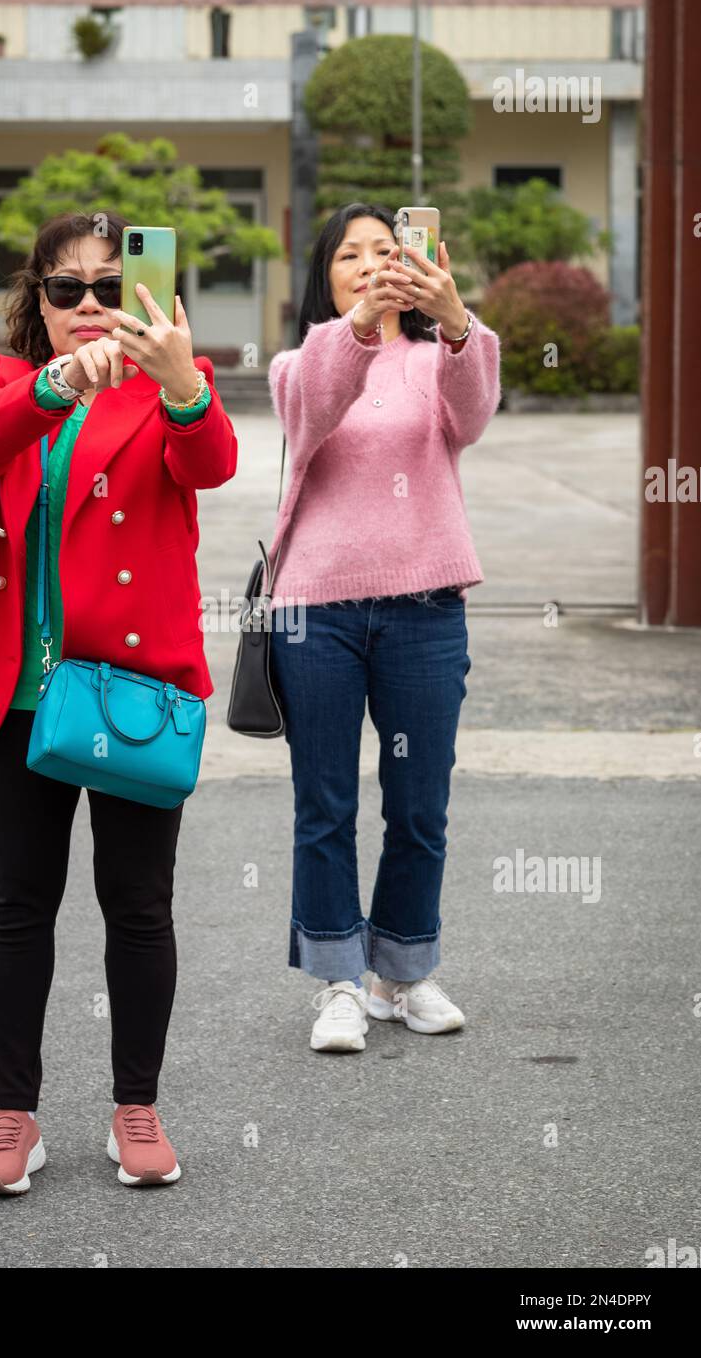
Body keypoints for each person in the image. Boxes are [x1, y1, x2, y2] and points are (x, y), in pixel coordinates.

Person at [0, 210, 237, 1190]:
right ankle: (14, 1118)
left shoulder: (181, 389)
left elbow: (210, 463)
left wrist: (173, 383)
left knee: (137, 906)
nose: (88, 304)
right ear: (36, 306)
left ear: (141, 299)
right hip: (20, 698)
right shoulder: (14, 389)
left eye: (107, 286)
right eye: (64, 287)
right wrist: (57, 385)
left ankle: (138, 1108)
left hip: (129, 694)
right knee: (16, 906)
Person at [265, 202, 501, 1052]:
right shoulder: (303, 361)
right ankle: (336, 979)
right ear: (324, 278)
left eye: (384, 250)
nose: (368, 265)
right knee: (323, 804)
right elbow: (315, 408)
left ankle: (401, 973)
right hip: (315, 610)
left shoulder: (443, 355)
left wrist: (455, 320)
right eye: (348, 257)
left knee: (419, 805)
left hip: (426, 606)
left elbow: (472, 418)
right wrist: (362, 325)